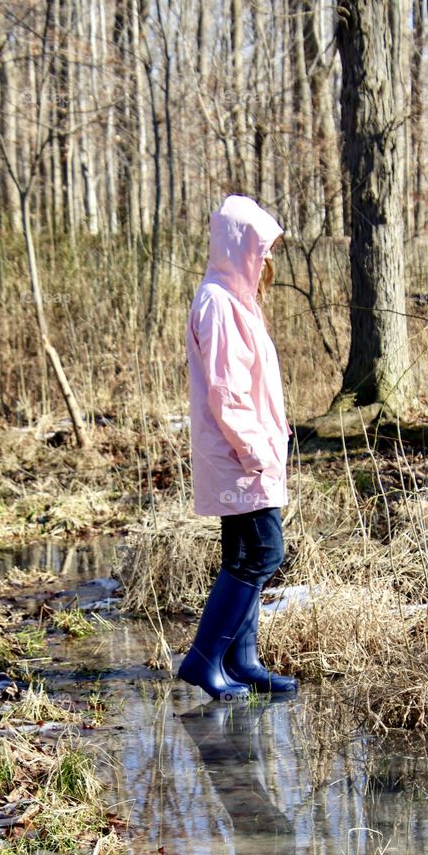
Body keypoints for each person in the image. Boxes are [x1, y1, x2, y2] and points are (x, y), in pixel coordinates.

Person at [178, 194, 297, 700]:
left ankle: (241, 659)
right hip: (239, 456)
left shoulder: (235, 300)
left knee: (246, 552)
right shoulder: (220, 304)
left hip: (246, 454)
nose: (267, 259)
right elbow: (227, 393)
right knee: (264, 551)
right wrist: (256, 454)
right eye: (261, 248)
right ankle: (204, 659)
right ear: (240, 247)